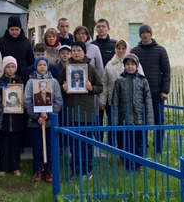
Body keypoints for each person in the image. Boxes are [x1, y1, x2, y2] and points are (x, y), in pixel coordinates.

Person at [58, 41, 102, 178]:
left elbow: (100, 87)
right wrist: (63, 89)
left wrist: (91, 88)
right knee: (74, 144)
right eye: (74, 50)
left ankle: (87, 170)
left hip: (87, 112)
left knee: (86, 143)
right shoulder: (66, 68)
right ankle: (75, 170)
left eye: (79, 50)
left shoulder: (91, 68)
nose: (76, 53)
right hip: (71, 111)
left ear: (84, 52)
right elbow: (58, 87)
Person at [131, 24, 171, 156]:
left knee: (158, 121)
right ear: (140, 35)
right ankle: (142, 146)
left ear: (151, 34)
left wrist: (165, 90)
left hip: (156, 92)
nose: (145, 35)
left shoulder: (160, 50)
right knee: (140, 121)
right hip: (139, 93)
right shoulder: (135, 51)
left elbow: (166, 71)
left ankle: (158, 148)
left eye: (147, 32)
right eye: (142, 32)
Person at [25, 56, 62, 182]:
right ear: (36, 66)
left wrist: (48, 114)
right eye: (39, 65)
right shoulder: (31, 82)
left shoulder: (54, 82)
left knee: (50, 146)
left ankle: (49, 170)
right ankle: (37, 169)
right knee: (37, 146)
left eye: (44, 65)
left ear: (47, 66)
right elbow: (27, 101)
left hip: (49, 121)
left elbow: (58, 101)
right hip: (36, 122)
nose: (42, 67)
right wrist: (36, 117)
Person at [112, 54, 154, 166]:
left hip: (139, 118)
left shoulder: (143, 81)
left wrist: (149, 121)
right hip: (124, 118)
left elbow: (148, 101)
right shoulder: (119, 81)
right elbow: (115, 102)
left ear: (136, 66)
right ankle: (127, 163)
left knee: (139, 143)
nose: (130, 67)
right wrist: (115, 119)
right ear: (124, 66)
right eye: (128, 64)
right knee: (126, 142)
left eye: (132, 64)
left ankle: (138, 164)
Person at [101, 39, 140, 129]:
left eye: (123, 48)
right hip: (112, 100)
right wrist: (102, 101)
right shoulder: (110, 64)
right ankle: (111, 144)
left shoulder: (133, 62)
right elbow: (104, 84)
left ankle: (124, 143)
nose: (121, 51)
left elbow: (140, 79)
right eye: (119, 48)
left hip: (129, 101)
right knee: (113, 125)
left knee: (126, 126)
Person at [0, 56, 24, 177]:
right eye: (8, 67)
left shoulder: (20, 82)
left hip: (17, 119)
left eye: (13, 67)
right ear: (4, 68)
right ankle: (3, 167)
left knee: (15, 145)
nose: (10, 69)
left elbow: (22, 96)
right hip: (5, 119)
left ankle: (15, 167)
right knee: (4, 144)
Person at [0, 15, 34, 83]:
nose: (15, 32)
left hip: (22, 76)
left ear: (20, 29)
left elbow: (30, 60)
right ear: (8, 29)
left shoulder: (26, 42)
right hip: (5, 77)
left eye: (17, 30)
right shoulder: (1, 42)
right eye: (12, 29)